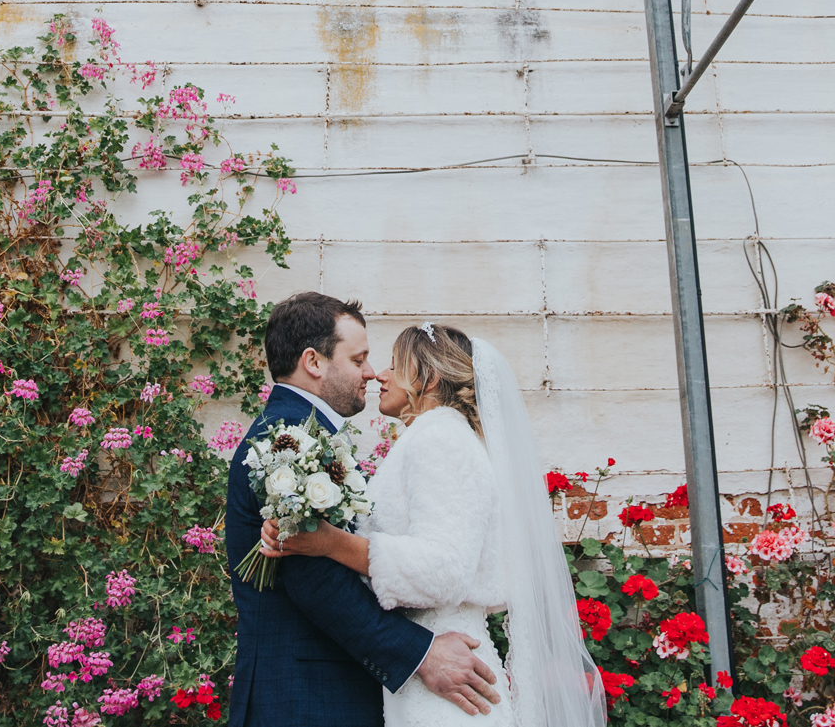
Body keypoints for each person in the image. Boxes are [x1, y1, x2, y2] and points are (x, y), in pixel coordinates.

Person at [261, 322, 606, 727]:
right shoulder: (431, 437)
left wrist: (331, 544)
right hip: (434, 672)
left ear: (430, 378)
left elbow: (442, 569)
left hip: (449, 675)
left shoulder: (439, 438)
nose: (379, 375)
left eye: (395, 366)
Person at [224, 292, 503, 727]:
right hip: (304, 696)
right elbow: (315, 579)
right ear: (314, 362)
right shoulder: (286, 442)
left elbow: (330, 552)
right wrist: (420, 653)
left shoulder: (304, 436)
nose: (372, 374)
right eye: (359, 360)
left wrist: (331, 542)